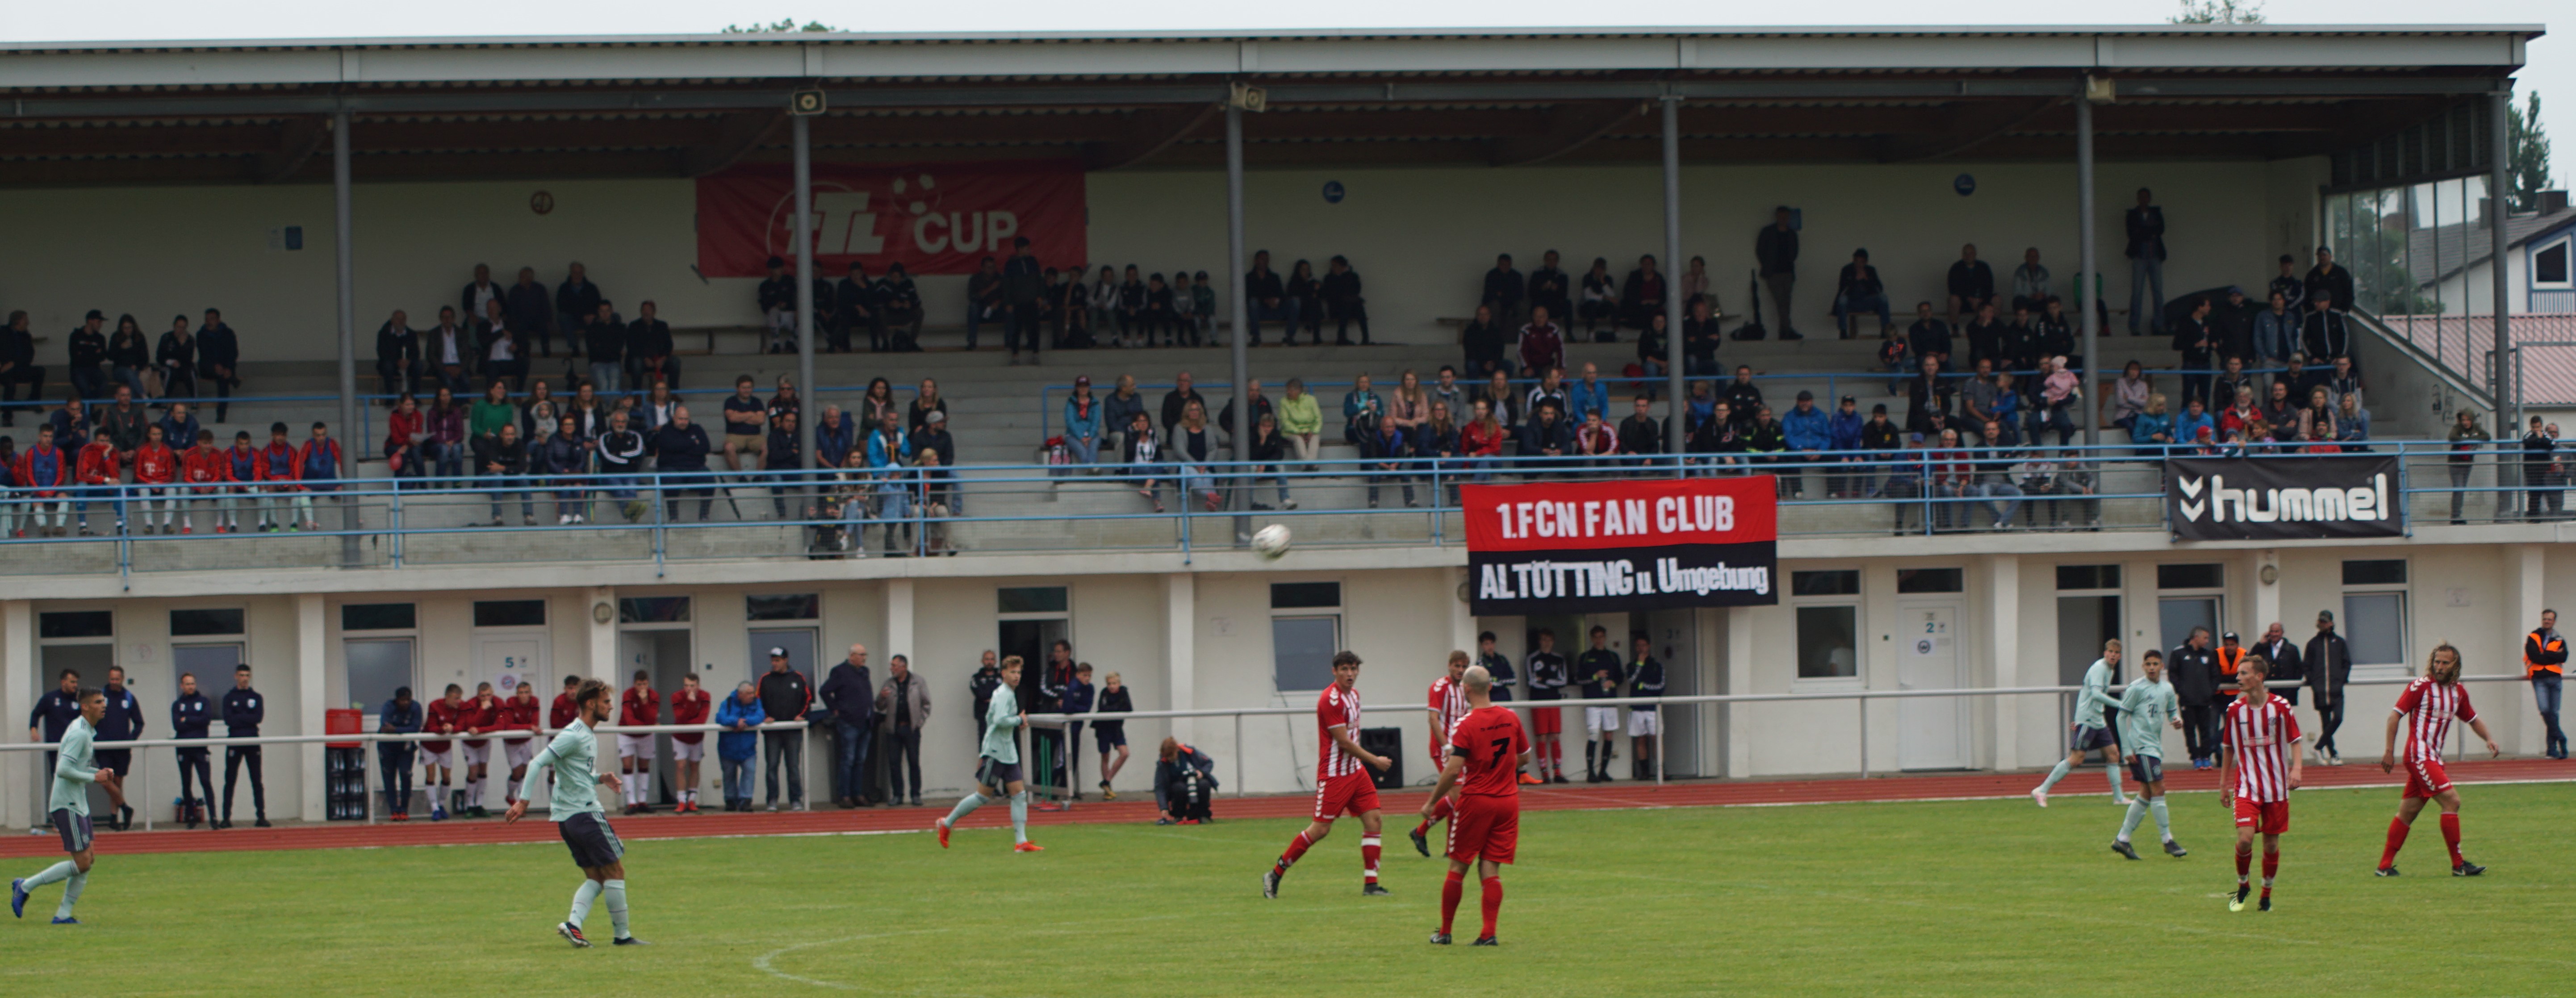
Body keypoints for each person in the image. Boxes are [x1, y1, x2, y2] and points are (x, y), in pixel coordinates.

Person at [503, 678, 644, 948]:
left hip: (569, 819)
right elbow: (536, 763)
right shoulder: (574, 734)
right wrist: (523, 802)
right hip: (586, 814)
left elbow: (575, 774)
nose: (610, 706)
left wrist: (600, 778)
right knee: (615, 871)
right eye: (606, 702)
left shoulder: (584, 734)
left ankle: (573, 926)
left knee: (596, 878)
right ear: (591, 704)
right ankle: (623, 937)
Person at [1264, 651, 1393, 898]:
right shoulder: (1330, 700)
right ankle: (1275, 873)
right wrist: (1375, 760)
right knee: (1320, 830)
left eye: (1353, 669)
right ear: (1335, 671)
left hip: (1355, 771)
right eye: (1344, 669)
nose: (1350, 674)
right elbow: (1343, 742)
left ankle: (1371, 885)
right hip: (1335, 774)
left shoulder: (1354, 695)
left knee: (1374, 820)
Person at [1421, 664, 1530, 947]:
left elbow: (1453, 770)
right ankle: (1488, 933)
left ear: (1466, 689)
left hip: (1477, 801)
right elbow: (1525, 757)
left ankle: (1445, 932)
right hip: (1508, 802)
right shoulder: (1511, 717)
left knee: (1458, 866)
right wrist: (1502, 770)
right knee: (1491, 866)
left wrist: (1432, 802)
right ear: (1490, 687)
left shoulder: (1465, 724)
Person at [2374, 643, 2497, 878]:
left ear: (2455, 666)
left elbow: (2473, 719)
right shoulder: (2420, 687)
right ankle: (2459, 865)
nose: (2439, 667)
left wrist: (2489, 739)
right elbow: (2394, 717)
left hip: (2432, 758)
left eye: (2445, 663)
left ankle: (2384, 866)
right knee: (2452, 801)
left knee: (2408, 812)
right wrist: (2389, 751)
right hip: (2419, 756)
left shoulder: (2458, 692)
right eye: (2437, 662)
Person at [11, 686, 121, 925]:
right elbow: (62, 770)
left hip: (79, 803)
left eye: (104, 701)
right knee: (82, 862)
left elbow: (77, 768)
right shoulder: (80, 733)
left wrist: (98, 772)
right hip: (67, 803)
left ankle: (63, 915)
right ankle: (25, 886)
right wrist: (95, 778)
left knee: (88, 860)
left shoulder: (86, 730)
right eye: (98, 702)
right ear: (85, 707)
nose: (104, 705)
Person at [2220, 654, 2303, 912]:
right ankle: (2243, 883)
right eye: (2238, 674)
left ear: (2259, 677)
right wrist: (2223, 784)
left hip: (2276, 789)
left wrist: (2297, 769)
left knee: (2271, 845)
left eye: (2244, 673)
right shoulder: (2235, 710)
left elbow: (2295, 741)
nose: (2238, 678)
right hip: (2247, 787)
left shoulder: (2280, 707)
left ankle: (2266, 894)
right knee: (2245, 839)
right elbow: (2228, 748)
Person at [934, 655, 1042, 852]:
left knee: (1019, 795)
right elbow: (1000, 720)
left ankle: (1021, 842)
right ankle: (946, 823)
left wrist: (1016, 721)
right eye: (1013, 672)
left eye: (1019, 672)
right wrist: (1019, 720)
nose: (1017, 676)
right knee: (982, 797)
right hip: (996, 752)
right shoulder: (1003, 694)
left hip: (1008, 752)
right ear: (1004, 674)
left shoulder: (1009, 693)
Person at [2110, 650, 2188, 860]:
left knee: (2146, 793)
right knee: (2158, 789)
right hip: (2141, 746)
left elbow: (2172, 711)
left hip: (2154, 747)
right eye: (2148, 664)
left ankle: (2123, 839)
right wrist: (2126, 748)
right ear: (2143, 667)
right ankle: (2168, 840)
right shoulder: (2137, 688)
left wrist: (2177, 720)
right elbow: (2121, 717)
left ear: (2162, 666)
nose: (2152, 668)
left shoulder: (2167, 688)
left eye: (2155, 664)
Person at [2030, 639, 2128, 807]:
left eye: (2116, 653)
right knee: (2076, 759)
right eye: (2110, 651)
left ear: (2120, 656)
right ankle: (2042, 790)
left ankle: (2119, 798)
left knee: (2113, 754)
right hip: (2088, 719)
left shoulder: (2110, 670)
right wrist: (2121, 705)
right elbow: (2096, 695)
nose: (2113, 655)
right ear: (2105, 653)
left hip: (2098, 719)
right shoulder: (2099, 668)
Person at [1407, 651, 1473, 856]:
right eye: (1457, 666)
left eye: (1464, 667)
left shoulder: (1465, 688)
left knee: (1459, 798)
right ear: (1449, 666)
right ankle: (1443, 843)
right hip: (1444, 749)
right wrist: (1446, 746)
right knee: (1458, 795)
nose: (1460, 670)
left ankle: (1426, 836)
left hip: (1460, 749)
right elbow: (1433, 719)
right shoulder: (1440, 687)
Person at [821, 643, 878, 809]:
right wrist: (836, 709)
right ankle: (845, 796)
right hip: (849, 723)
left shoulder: (864, 672)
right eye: (861, 655)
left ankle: (857, 794)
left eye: (865, 655)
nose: (864, 658)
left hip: (866, 722)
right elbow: (825, 691)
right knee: (848, 760)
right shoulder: (840, 671)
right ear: (852, 656)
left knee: (860, 761)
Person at [757, 647, 811, 811]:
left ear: (786, 660)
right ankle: (772, 800)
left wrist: (801, 716)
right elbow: (758, 702)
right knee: (772, 766)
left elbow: (808, 699)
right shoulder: (765, 679)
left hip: (793, 731)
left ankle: (796, 799)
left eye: (778, 661)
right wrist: (765, 717)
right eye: (773, 661)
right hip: (773, 731)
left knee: (793, 766)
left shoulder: (798, 678)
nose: (774, 664)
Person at [872, 654, 930, 807]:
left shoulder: (918, 682)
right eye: (891, 665)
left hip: (911, 729)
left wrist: (919, 722)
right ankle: (898, 795)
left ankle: (916, 795)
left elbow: (926, 704)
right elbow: (879, 707)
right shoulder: (889, 683)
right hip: (893, 729)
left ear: (903, 667)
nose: (891, 669)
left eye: (894, 666)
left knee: (914, 762)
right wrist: (881, 697)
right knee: (894, 763)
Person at [1572, 626, 1626, 782]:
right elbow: (1578, 679)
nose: (1599, 640)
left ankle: (1603, 771)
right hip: (1593, 702)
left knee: (1609, 735)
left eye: (1601, 637)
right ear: (1591, 638)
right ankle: (1591, 772)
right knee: (1594, 734)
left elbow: (1621, 677)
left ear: (1605, 638)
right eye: (1596, 637)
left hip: (1610, 701)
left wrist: (1613, 683)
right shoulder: (1585, 657)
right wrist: (1595, 677)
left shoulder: (1613, 657)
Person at [221, 663, 268, 828]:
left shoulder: (257, 697)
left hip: (253, 742)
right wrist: (247, 717)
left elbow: (258, 718)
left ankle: (261, 817)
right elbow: (229, 720)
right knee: (230, 780)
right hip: (235, 741)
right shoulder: (229, 698)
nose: (244, 679)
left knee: (257, 780)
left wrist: (240, 716)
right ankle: (226, 818)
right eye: (241, 675)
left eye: (247, 676)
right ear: (236, 677)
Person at [2170, 627, 2223, 771]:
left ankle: (2206, 757)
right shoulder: (2179, 653)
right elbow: (2173, 674)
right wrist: (2182, 690)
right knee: (2189, 731)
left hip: (2205, 700)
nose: (2207, 641)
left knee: (2206, 730)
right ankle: (2196, 758)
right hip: (2187, 701)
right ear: (2196, 637)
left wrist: (2210, 691)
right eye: (2205, 638)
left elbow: (2216, 675)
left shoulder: (2208, 655)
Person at [2305, 610, 2353, 765]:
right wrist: (2313, 682)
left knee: (2338, 718)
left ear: (2331, 623)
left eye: (2325, 622)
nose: (2323, 624)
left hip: (2336, 689)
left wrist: (2341, 679)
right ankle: (2334, 755)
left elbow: (2347, 663)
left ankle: (2318, 747)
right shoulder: (2313, 644)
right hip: (2320, 691)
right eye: (2321, 621)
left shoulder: (2339, 643)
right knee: (2326, 723)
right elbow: (2307, 666)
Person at [172, 672, 217, 827]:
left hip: (201, 749)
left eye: (192, 684)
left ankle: (214, 818)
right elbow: (177, 725)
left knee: (206, 781)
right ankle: (191, 817)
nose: (190, 687)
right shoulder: (177, 704)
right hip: (184, 749)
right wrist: (195, 722)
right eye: (187, 684)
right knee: (186, 783)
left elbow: (206, 720)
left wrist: (187, 719)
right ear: (182, 686)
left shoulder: (204, 701)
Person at [1524, 629, 1569, 782]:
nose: (1546, 643)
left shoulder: (1559, 659)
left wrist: (1545, 680)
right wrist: (1550, 682)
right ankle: (1545, 774)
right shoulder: (1532, 658)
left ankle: (1558, 773)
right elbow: (1532, 682)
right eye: (1544, 639)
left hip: (1554, 701)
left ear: (1553, 641)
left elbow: (1563, 681)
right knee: (1541, 737)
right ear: (1539, 641)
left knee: (1555, 736)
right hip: (1538, 701)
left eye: (1549, 640)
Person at [715, 681, 765, 812]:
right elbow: (720, 718)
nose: (752, 696)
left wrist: (745, 722)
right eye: (749, 693)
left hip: (748, 749)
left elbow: (760, 716)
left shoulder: (757, 703)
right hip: (728, 748)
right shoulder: (727, 703)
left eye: (753, 693)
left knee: (749, 773)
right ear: (740, 694)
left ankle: (746, 801)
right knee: (729, 775)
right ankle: (730, 801)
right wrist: (735, 722)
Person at [2124, 188, 2167, 334]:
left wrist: (2143, 231)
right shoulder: (2132, 215)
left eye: (2146, 197)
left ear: (2149, 199)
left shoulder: (2156, 213)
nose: (2144, 199)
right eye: (2141, 197)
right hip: (2139, 257)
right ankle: (2134, 326)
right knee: (2137, 293)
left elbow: (2161, 230)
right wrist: (2150, 232)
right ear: (2138, 199)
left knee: (2158, 292)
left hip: (2155, 256)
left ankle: (2159, 325)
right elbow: (2132, 233)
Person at [666, 674, 711, 814]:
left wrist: (689, 719)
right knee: (681, 766)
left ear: (698, 686)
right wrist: (691, 704)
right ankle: (681, 800)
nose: (689, 689)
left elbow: (702, 720)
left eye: (692, 686)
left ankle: (692, 800)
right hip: (680, 737)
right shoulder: (677, 696)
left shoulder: (705, 696)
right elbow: (680, 719)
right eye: (686, 686)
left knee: (695, 766)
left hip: (697, 738)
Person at [376, 686, 422, 821]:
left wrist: (396, 729)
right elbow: (385, 727)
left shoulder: (416, 707)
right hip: (387, 747)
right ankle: (394, 810)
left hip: (405, 748)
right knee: (389, 778)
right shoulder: (389, 707)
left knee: (405, 774)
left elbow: (415, 728)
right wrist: (403, 729)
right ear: (397, 700)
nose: (406, 703)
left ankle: (404, 809)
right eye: (403, 700)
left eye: (408, 700)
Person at [2526, 610, 2567, 759]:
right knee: (2545, 710)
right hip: (2540, 679)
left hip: (2556, 679)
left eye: (2550, 619)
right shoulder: (2533, 637)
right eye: (2545, 619)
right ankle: (2561, 737)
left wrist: (2545, 654)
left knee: (2554, 713)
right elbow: (2534, 657)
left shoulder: (2559, 638)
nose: (2547, 621)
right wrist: (2553, 656)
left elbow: (2564, 657)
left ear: (2554, 621)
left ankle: (2552, 749)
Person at [458, 682, 503, 818]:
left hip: (484, 741)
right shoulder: (470, 704)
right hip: (469, 743)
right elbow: (470, 725)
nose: (486, 699)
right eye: (483, 696)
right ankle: (470, 805)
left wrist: (481, 730)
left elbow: (501, 724)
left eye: (489, 695)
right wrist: (482, 710)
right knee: (473, 771)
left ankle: (479, 804)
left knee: (483, 770)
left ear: (492, 694)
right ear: (478, 696)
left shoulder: (498, 703)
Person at [1626, 633, 1665, 781]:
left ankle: (1661, 770)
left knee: (1657, 738)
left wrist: (1643, 686)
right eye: (1638, 646)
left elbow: (1661, 687)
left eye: (1643, 645)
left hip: (1653, 708)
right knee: (1641, 739)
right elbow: (1632, 681)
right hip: (1637, 708)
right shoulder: (1631, 666)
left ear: (1649, 646)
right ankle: (1644, 772)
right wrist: (1640, 665)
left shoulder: (1657, 666)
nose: (1641, 648)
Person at [1755, 206, 1799, 336]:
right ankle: (1787, 330)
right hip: (1773, 274)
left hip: (1788, 273)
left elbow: (1795, 252)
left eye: (1786, 217)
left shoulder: (1791, 234)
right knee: (1781, 303)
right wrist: (1768, 265)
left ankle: (1784, 332)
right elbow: (1760, 250)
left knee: (1787, 303)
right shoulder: (1768, 232)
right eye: (1781, 217)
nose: (1783, 219)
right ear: (1777, 217)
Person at [1153, 737, 1219, 825]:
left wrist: (1202, 772)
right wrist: (1164, 807)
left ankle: (1203, 815)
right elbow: (1160, 787)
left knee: (1204, 785)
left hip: (1196, 781)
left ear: (1177, 750)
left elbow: (1209, 762)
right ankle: (1178, 816)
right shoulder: (1162, 763)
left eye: (1171, 756)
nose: (1169, 759)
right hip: (1177, 787)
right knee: (1179, 788)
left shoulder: (1191, 752)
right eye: (1167, 757)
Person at [422, 683, 464, 819]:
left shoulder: (461, 707)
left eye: (460, 698)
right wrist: (443, 729)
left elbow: (462, 724)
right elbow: (432, 727)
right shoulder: (434, 706)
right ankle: (434, 808)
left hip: (445, 746)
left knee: (446, 777)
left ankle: (441, 804)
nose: (459, 701)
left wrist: (453, 728)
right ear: (447, 697)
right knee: (431, 775)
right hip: (429, 746)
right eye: (456, 698)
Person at [501, 681, 544, 812]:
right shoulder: (511, 702)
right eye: (521, 693)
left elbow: (535, 723)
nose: (524, 695)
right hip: (512, 742)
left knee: (526, 770)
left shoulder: (535, 701)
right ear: (517, 694)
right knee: (517, 772)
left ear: (531, 693)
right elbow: (509, 726)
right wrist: (529, 727)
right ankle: (510, 796)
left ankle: (521, 803)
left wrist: (530, 727)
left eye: (526, 692)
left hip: (526, 741)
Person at [1832, 249, 1892, 339]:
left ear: (1866, 262)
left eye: (1862, 262)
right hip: (1851, 302)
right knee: (1842, 300)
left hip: (1867, 302)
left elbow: (1879, 289)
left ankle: (1885, 330)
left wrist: (1867, 280)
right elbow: (1843, 289)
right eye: (1857, 261)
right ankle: (1843, 331)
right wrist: (1855, 280)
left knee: (1883, 298)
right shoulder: (1847, 270)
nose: (1859, 264)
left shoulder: (1871, 270)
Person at [1094, 670, 1132, 800]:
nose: (1112, 686)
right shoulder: (1104, 693)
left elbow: (1128, 708)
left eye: (1114, 683)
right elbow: (1103, 709)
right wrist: (1117, 707)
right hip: (1103, 728)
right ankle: (1107, 790)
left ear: (1119, 684)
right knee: (1105, 756)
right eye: (1109, 684)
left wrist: (1115, 708)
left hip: (1116, 728)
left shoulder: (1123, 692)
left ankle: (1107, 781)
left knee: (1125, 753)